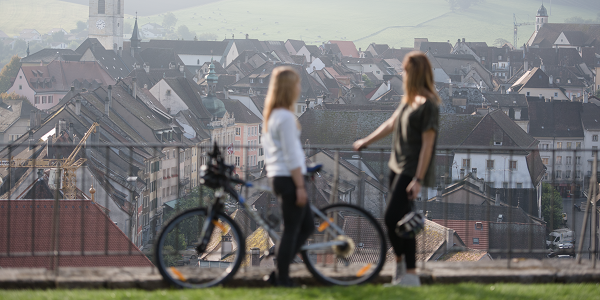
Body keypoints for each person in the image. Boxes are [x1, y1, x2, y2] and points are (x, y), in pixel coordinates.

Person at [353, 51, 440, 287]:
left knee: (393, 218)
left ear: (415, 73)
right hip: (396, 165)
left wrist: (419, 178)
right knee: (401, 220)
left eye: (405, 70)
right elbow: (390, 124)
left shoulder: (428, 106)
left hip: (411, 170)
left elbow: (428, 145)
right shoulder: (408, 101)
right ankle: (403, 272)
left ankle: (409, 273)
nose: (402, 74)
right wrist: (366, 141)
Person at [262, 66, 313, 287]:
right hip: (288, 178)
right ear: (289, 88)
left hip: (279, 176)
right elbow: (292, 155)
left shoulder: (272, 115)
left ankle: (278, 274)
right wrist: (300, 186)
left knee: (305, 226)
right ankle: (281, 278)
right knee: (292, 230)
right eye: (297, 84)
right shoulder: (284, 117)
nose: (300, 88)